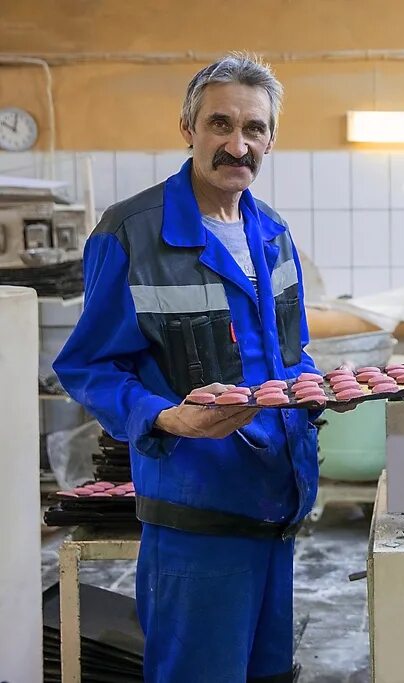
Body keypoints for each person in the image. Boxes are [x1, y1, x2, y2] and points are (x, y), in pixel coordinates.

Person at [54, 54, 327, 682]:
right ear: (188, 128)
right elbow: (89, 366)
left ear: (271, 139)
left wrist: (318, 392)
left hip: (277, 506)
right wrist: (165, 416)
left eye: (254, 129)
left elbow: (291, 353)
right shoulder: (132, 232)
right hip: (197, 517)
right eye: (220, 124)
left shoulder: (273, 233)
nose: (238, 145)